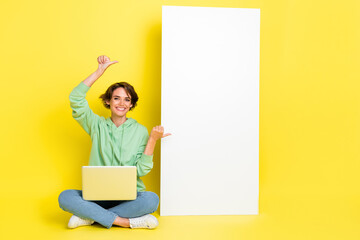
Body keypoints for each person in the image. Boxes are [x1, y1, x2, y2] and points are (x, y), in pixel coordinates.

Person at [58, 55, 170, 229]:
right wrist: (98, 72)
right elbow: (75, 99)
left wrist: (153, 140)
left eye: (127, 99)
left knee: (152, 200)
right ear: (108, 101)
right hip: (97, 197)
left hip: (129, 197)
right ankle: (125, 222)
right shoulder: (96, 125)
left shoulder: (140, 130)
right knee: (65, 196)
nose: (122, 103)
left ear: (131, 105)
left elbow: (141, 170)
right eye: (117, 98)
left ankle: (90, 216)